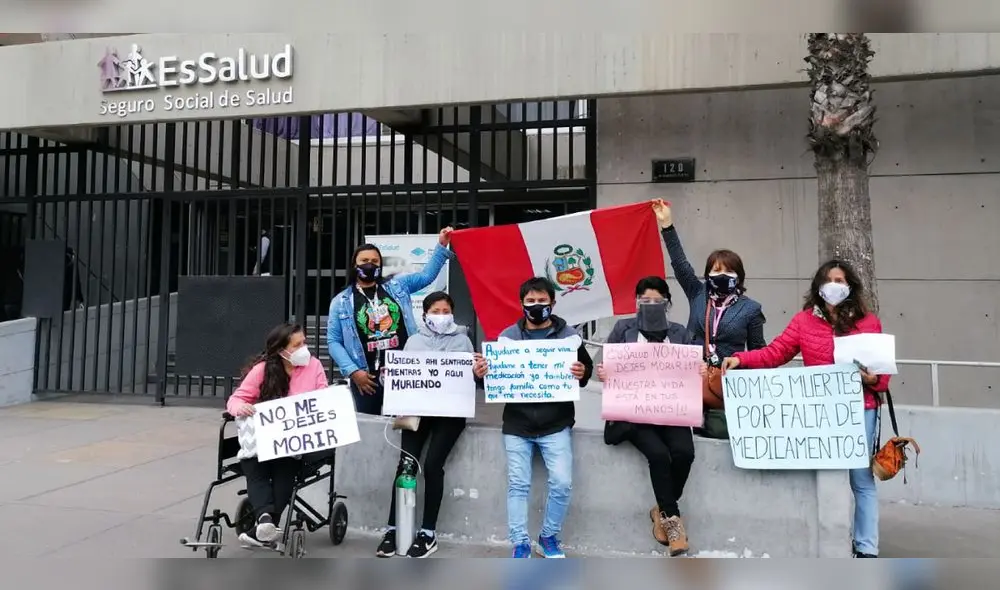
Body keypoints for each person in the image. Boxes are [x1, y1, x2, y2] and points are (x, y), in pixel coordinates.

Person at [721, 259, 890, 558]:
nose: (835, 286)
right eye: (829, 280)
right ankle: (832, 539)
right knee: (827, 473)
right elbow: (776, 352)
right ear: (818, 288)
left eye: (840, 280)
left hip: (860, 408)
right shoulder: (803, 322)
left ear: (850, 286)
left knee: (860, 478)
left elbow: (881, 372)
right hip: (822, 412)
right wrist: (741, 359)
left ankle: (866, 547)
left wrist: (873, 378)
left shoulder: (868, 322)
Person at [478, 277, 593, 559]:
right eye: (530, 301)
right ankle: (520, 542)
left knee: (562, 482)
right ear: (521, 304)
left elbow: (585, 371)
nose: (536, 306)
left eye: (542, 301)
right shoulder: (506, 339)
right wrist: (480, 375)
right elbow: (492, 382)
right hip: (517, 425)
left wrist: (583, 372)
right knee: (518, 485)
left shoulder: (569, 337)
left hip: (556, 425)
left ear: (552, 303)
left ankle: (549, 536)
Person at [595, 276, 707, 556]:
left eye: (658, 301)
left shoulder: (680, 333)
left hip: (671, 411)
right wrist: (605, 372)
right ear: (636, 302)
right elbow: (604, 365)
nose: (652, 305)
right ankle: (673, 523)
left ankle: (660, 509)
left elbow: (691, 370)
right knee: (659, 455)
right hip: (633, 415)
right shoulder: (623, 329)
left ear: (668, 303)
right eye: (645, 300)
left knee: (684, 453)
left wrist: (700, 371)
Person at [376, 291, 489, 558]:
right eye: (435, 311)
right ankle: (394, 529)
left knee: (432, 466)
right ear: (424, 314)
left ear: (452, 313)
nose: (440, 316)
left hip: (449, 417)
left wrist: (477, 372)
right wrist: (387, 376)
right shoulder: (414, 341)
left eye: (445, 311)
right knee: (406, 467)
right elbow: (403, 377)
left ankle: (428, 533)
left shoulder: (463, 341)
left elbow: (471, 379)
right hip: (415, 414)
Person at [651, 199, 766, 436]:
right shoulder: (697, 293)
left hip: (728, 385)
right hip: (689, 377)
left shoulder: (751, 309)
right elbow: (680, 264)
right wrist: (667, 225)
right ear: (707, 275)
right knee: (685, 438)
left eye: (728, 271)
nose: (721, 275)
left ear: (739, 277)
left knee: (719, 436)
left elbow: (757, 351)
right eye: (715, 270)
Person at [327, 227, 454, 416]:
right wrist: (354, 372)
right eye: (364, 261)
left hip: (403, 374)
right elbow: (333, 341)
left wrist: (442, 244)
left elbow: (427, 276)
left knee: (402, 427)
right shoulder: (341, 302)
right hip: (366, 378)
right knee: (370, 431)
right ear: (355, 264)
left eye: (374, 261)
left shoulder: (398, 286)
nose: (369, 264)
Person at [226, 323, 329, 548]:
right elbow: (235, 400)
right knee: (254, 464)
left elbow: (323, 400)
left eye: (304, 342)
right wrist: (240, 408)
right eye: (297, 344)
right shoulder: (262, 370)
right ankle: (265, 520)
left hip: (295, 441)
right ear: (282, 350)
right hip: (263, 440)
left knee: (285, 466)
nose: (304, 348)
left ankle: (264, 526)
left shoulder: (314, 366)